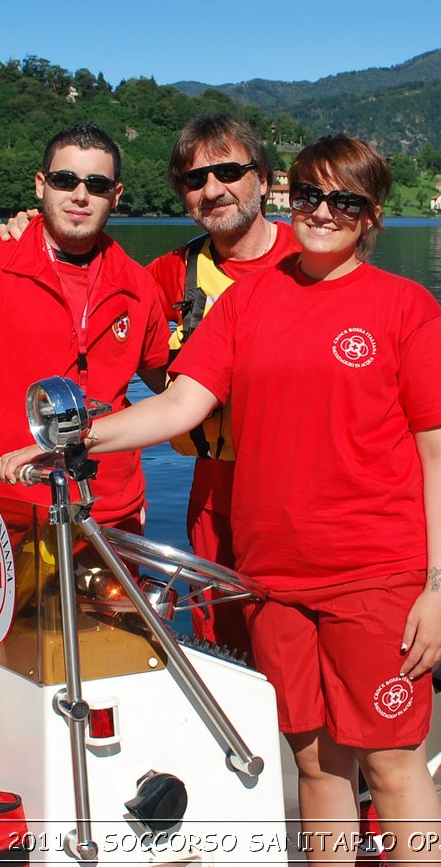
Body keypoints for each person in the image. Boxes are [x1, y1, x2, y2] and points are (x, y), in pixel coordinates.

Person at [0, 134, 441, 864]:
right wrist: (77, 438)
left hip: (375, 575)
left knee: (391, 763)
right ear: (289, 195)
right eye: (310, 195)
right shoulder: (250, 298)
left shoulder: (403, 307)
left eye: (344, 201)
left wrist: (439, 590)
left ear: (371, 216)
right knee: (316, 764)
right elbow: (182, 404)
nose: (322, 212)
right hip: (273, 578)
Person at [0, 121, 171, 608]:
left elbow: (176, 388)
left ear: (117, 194)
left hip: (109, 513)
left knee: (114, 664)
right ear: (40, 185)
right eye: (66, 180)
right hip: (1, 515)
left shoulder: (138, 285)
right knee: (3, 671)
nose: (80, 195)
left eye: (97, 185)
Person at [143, 113, 299, 653]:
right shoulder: (169, 274)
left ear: (265, 178)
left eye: (228, 171)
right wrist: (10, 232)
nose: (212, 191)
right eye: (194, 180)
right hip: (216, 494)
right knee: (224, 649)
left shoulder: (315, 259)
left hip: (304, 493)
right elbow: (92, 301)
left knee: (296, 645)